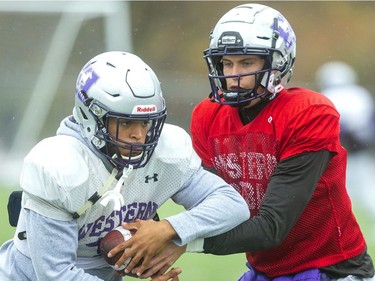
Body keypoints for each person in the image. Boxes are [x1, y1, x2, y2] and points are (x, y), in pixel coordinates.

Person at [0, 51, 250, 281]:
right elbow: (56, 275)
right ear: (93, 117)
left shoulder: (166, 152)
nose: (139, 136)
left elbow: (232, 204)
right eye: (126, 123)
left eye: (146, 122)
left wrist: (167, 230)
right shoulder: (60, 164)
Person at [188, 3, 375, 281]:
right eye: (226, 63)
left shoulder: (308, 112)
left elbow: (271, 227)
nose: (232, 76)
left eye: (246, 62)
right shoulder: (207, 116)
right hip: (265, 270)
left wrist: (178, 239)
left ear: (277, 63)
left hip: (331, 268)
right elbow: (214, 209)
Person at [316, 61, 375, 237]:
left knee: (338, 193)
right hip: (362, 149)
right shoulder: (361, 94)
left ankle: (341, 231)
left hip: (337, 152)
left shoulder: (327, 96)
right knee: (366, 188)